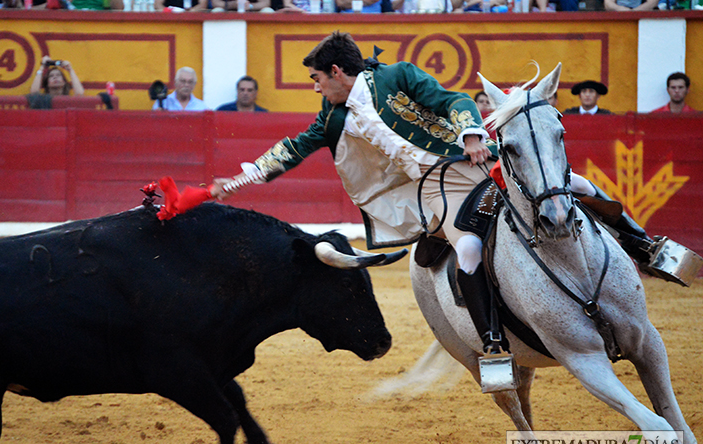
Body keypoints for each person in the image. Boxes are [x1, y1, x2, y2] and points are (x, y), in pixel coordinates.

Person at [209, 31, 500, 347]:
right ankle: (492, 341)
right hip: (437, 187)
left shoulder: (395, 75)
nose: (316, 87)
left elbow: (452, 100)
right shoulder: (333, 117)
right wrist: (238, 181)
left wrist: (472, 136)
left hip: (474, 157)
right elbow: (295, 148)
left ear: (336, 72)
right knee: (469, 248)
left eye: (317, 78)